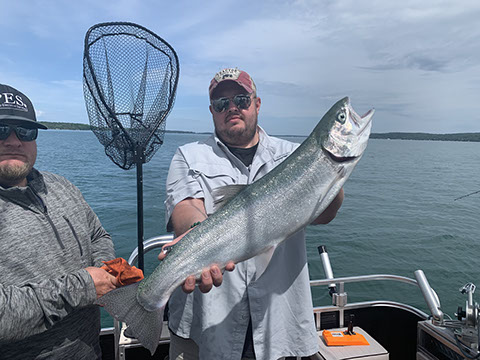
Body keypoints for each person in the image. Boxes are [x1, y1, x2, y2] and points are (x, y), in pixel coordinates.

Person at [162, 68, 344, 360]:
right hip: (207, 325)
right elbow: (186, 206)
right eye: (222, 104)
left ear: (256, 104)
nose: (232, 108)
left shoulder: (294, 156)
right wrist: (199, 238)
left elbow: (324, 215)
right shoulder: (189, 155)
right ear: (212, 111)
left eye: (241, 99)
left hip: (280, 324)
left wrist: (332, 174)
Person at [0, 84, 119, 359]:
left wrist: (105, 270)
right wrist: (84, 287)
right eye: (1, 129)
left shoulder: (61, 185)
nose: (14, 141)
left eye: (26, 131)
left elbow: (98, 235)